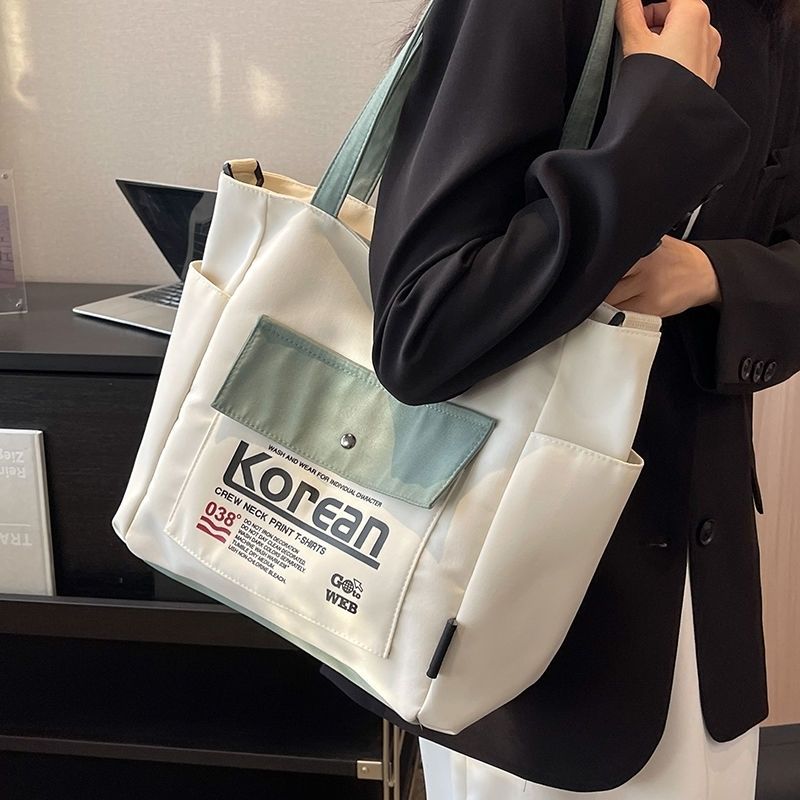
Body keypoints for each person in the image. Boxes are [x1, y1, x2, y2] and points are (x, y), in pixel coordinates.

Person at [318, 0, 800, 795]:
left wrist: (714, 277)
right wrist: (659, 120)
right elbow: (422, 330)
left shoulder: (774, 20)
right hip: (520, 628)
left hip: (703, 611)